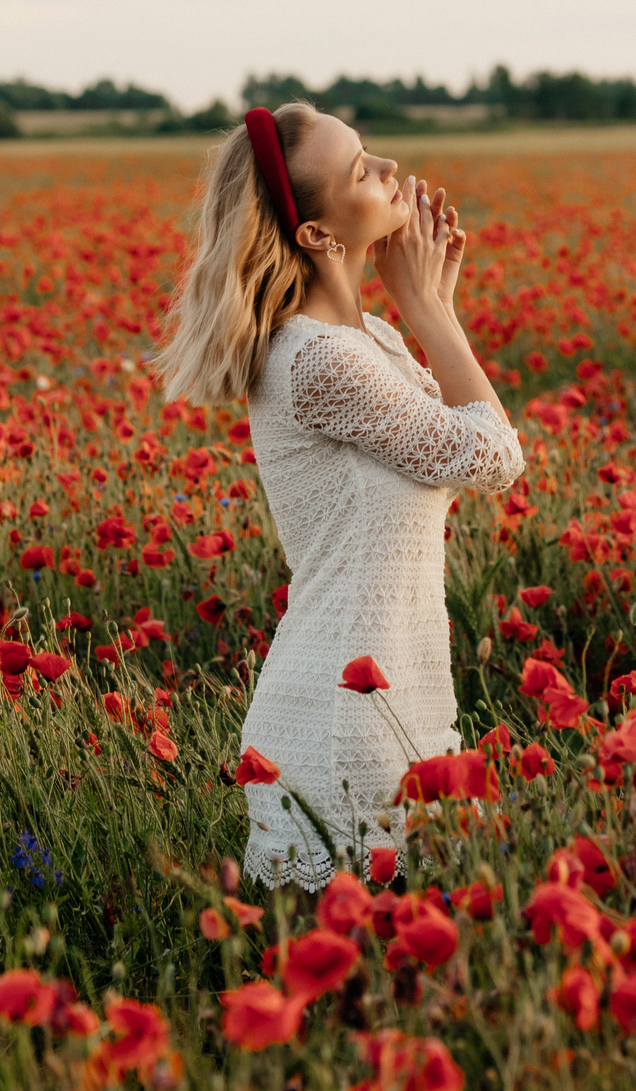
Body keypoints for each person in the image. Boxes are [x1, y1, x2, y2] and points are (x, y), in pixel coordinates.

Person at [155, 103, 522, 890]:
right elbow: (494, 456)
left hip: (394, 685)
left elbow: (463, 446)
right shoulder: (319, 361)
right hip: (346, 714)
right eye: (360, 169)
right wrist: (430, 309)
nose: (389, 170)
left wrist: (427, 306)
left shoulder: (368, 342)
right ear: (319, 234)